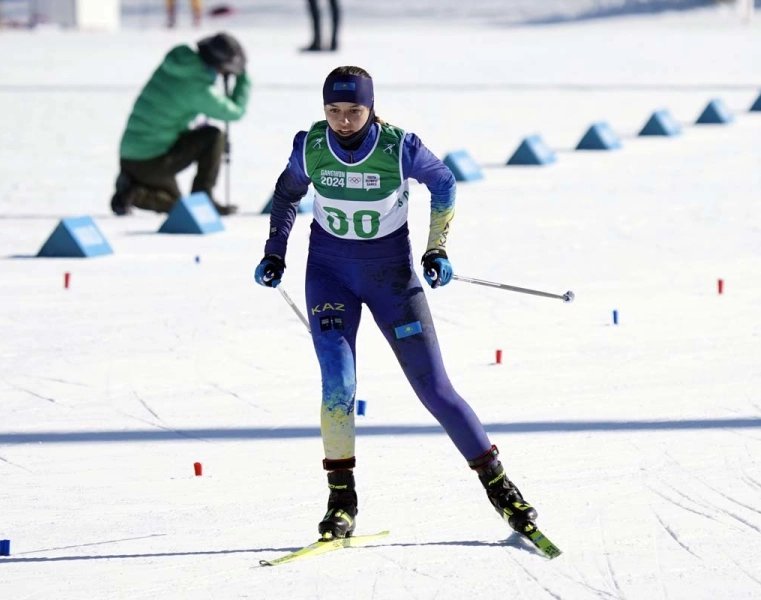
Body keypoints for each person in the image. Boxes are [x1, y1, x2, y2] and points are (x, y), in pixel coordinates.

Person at [253, 66, 540, 541]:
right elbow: (287, 194)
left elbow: (444, 183)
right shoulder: (310, 146)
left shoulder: (398, 147)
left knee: (434, 388)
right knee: (337, 385)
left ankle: (500, 488)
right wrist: (274, 251)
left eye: (354, 110)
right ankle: (341, 500)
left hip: (391, 278)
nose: (343, 121)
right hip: (328, 276)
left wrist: (437, 247)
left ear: (371, 106)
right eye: (333, 111)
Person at [111, 32, 250, 217]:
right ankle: (136, 194)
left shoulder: (180, 63)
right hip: (150, 160)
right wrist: (243, 79)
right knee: (213, 137)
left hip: (132, 155)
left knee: (178, 204)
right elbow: (234, 112)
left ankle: (132, 188)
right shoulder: (198, 88)